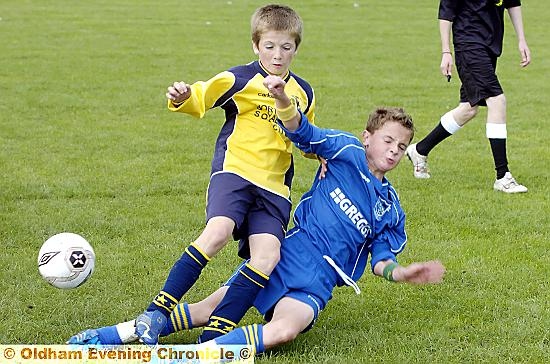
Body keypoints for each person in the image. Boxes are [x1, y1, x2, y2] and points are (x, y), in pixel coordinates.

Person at [68, 77, 445, 354]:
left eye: (403, 146)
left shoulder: (390, 208)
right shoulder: (344, 151)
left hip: (318, 281)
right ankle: (112, 336)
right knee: (205, 309)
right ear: (367, 137)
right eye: (388, 140)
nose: (395, 151)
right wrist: (283, 100)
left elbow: (382, 259)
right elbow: (304, 133)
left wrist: (400, 273)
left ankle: (199, 355)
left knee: (284, 332)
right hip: (287, 254)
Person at [134, 4, 317, 345]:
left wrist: (315, 152)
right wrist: (183, 96)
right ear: (255, 45)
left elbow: (303, 134)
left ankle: (214, 335)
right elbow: (200, 97)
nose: (278, 55)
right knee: (218, 231)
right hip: (235, 171)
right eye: (270, 46)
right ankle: (156, 313)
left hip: (275, 188)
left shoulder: (303, 92)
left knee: (268, 256)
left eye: (286, 47)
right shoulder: (240, 79)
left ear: (296, 48)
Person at [406, 0, 530, 193]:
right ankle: (502, 176)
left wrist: (521, 39)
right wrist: (446, 52)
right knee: (497, 100)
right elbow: (446, 13)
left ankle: (419, 150)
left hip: (491, 45)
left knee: (467, 109)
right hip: (468, 44)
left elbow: (512, 3)